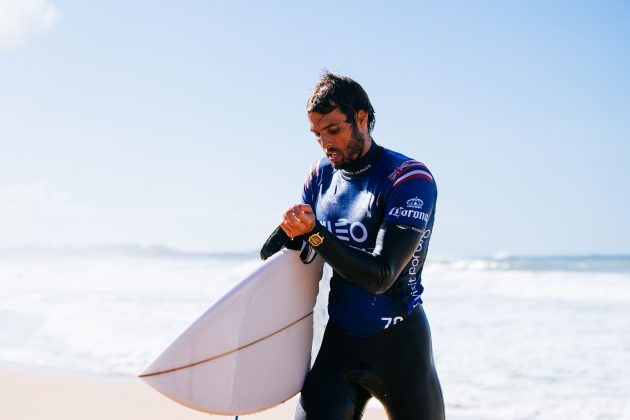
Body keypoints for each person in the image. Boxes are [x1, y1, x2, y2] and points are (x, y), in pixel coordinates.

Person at [261, 72, 445, 420]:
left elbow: (381, 276)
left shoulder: (409, 178)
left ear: (362, 118)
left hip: (400, 345)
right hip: (341, 343)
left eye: (334, 130)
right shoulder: (320, 176)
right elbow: (297, 256)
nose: (325, 144)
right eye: (317, 135)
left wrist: (314, 232)